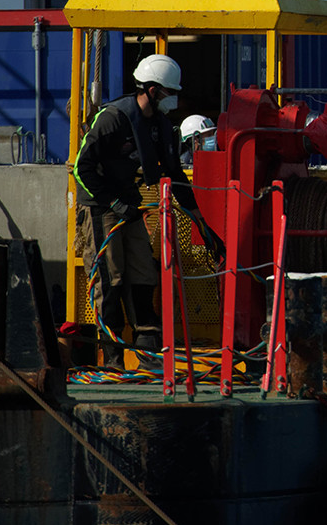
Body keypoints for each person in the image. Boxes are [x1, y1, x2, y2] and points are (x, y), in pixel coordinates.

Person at [73, 54, 225, 365]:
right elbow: (81, 167)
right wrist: (114, 203)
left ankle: (147, 355)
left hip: (129, 206)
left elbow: (176, 175)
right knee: (109, 278)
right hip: (102, 208)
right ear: (153, 91)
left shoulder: (158, 127)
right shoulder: (113, 119)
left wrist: (202, 224)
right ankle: (113, 358)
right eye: (171, 93)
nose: (174, 100)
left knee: (144, 273)